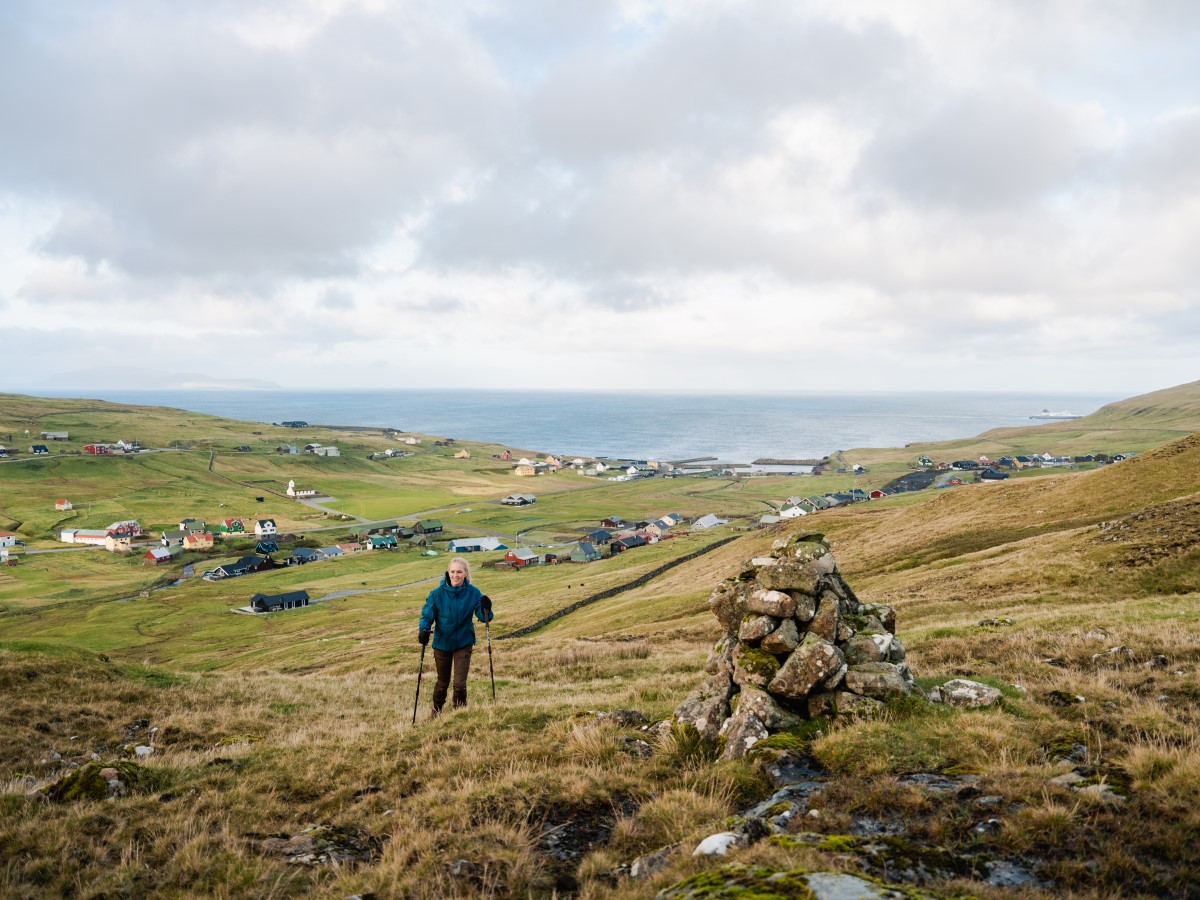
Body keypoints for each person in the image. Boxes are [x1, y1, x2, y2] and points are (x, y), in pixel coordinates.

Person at [418, 556, 493, 714]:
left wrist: (487, 609)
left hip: (464, 642)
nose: (455, 575)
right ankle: (436, 710)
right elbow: (427, 615)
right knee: (442, 682)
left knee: (459, 683)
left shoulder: (473, 593)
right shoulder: (437, 594)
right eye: (452, 571)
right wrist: (423, 630)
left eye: (459, 572)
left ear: (466, 573)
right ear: (448, 573)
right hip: (442, 643)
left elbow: (483, 617)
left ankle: (459, 712)